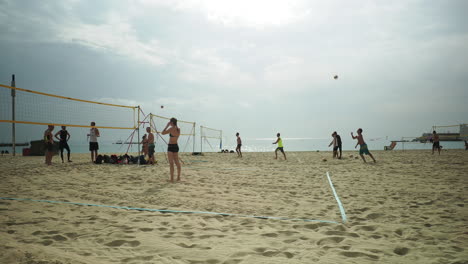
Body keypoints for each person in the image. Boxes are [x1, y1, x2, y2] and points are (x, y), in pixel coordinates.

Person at [162, 118, 181, 182]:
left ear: (172, 122)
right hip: (176, 146)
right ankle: (178, 177)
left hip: (170, 146)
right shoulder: (178, 129)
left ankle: (172, 179)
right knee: (177, 162)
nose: (169, 122)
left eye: (170, 122)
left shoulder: (171, 129)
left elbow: (162, 133)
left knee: (171, 163)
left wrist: (167, 126)